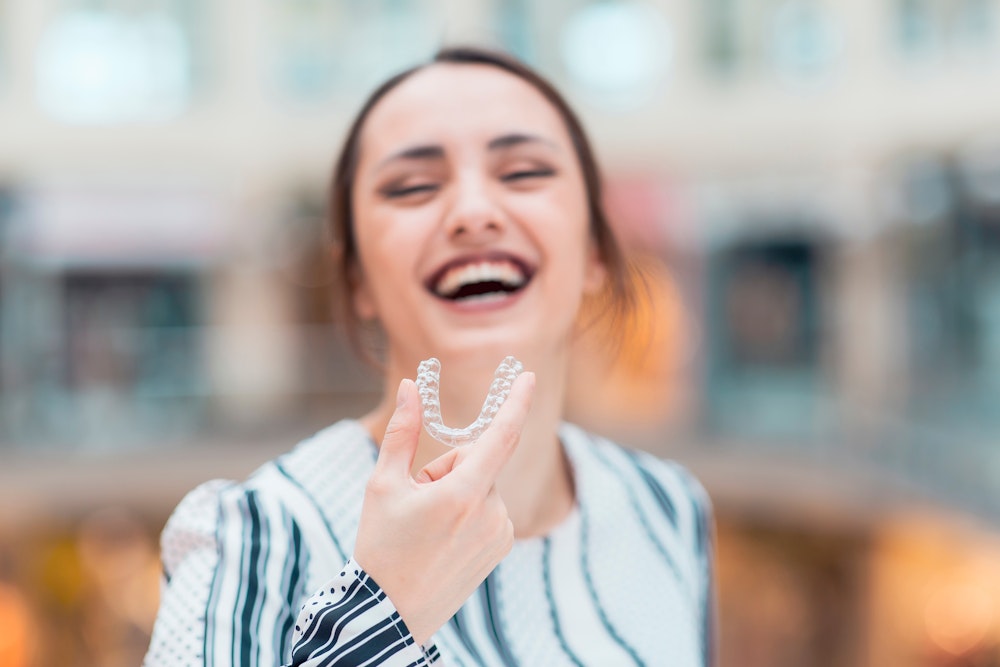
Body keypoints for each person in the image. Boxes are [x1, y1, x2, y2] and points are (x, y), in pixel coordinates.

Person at [144, 46, 715, 667]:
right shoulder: (254, 539)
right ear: (357, 278)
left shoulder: (666, 508)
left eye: (524, 173)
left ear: (597, 252)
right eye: (413, 186)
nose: (473, 214)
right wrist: (383, 610)